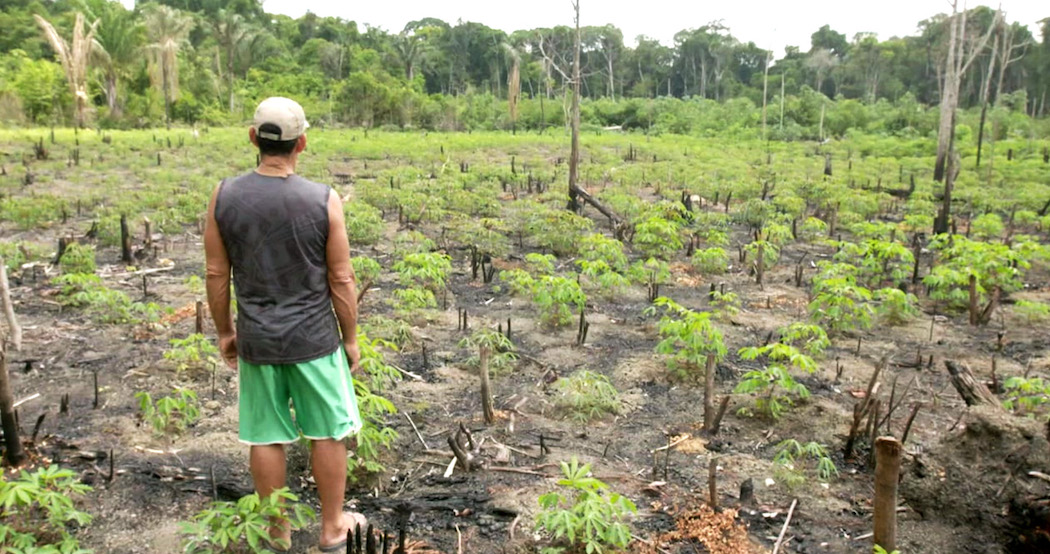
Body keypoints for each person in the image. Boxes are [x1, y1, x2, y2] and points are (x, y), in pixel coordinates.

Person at [204, 96, 366, 552]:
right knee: (329, 431)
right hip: (314, 339)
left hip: (257, 339)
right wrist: (349, 338)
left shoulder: (224, 195)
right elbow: (341, 277)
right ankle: (332, 528)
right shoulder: (323, 199)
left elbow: (218, 274)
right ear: (303, 144)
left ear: (253, 138)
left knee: (266, 437)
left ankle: (276, 533)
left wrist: (224, 331)